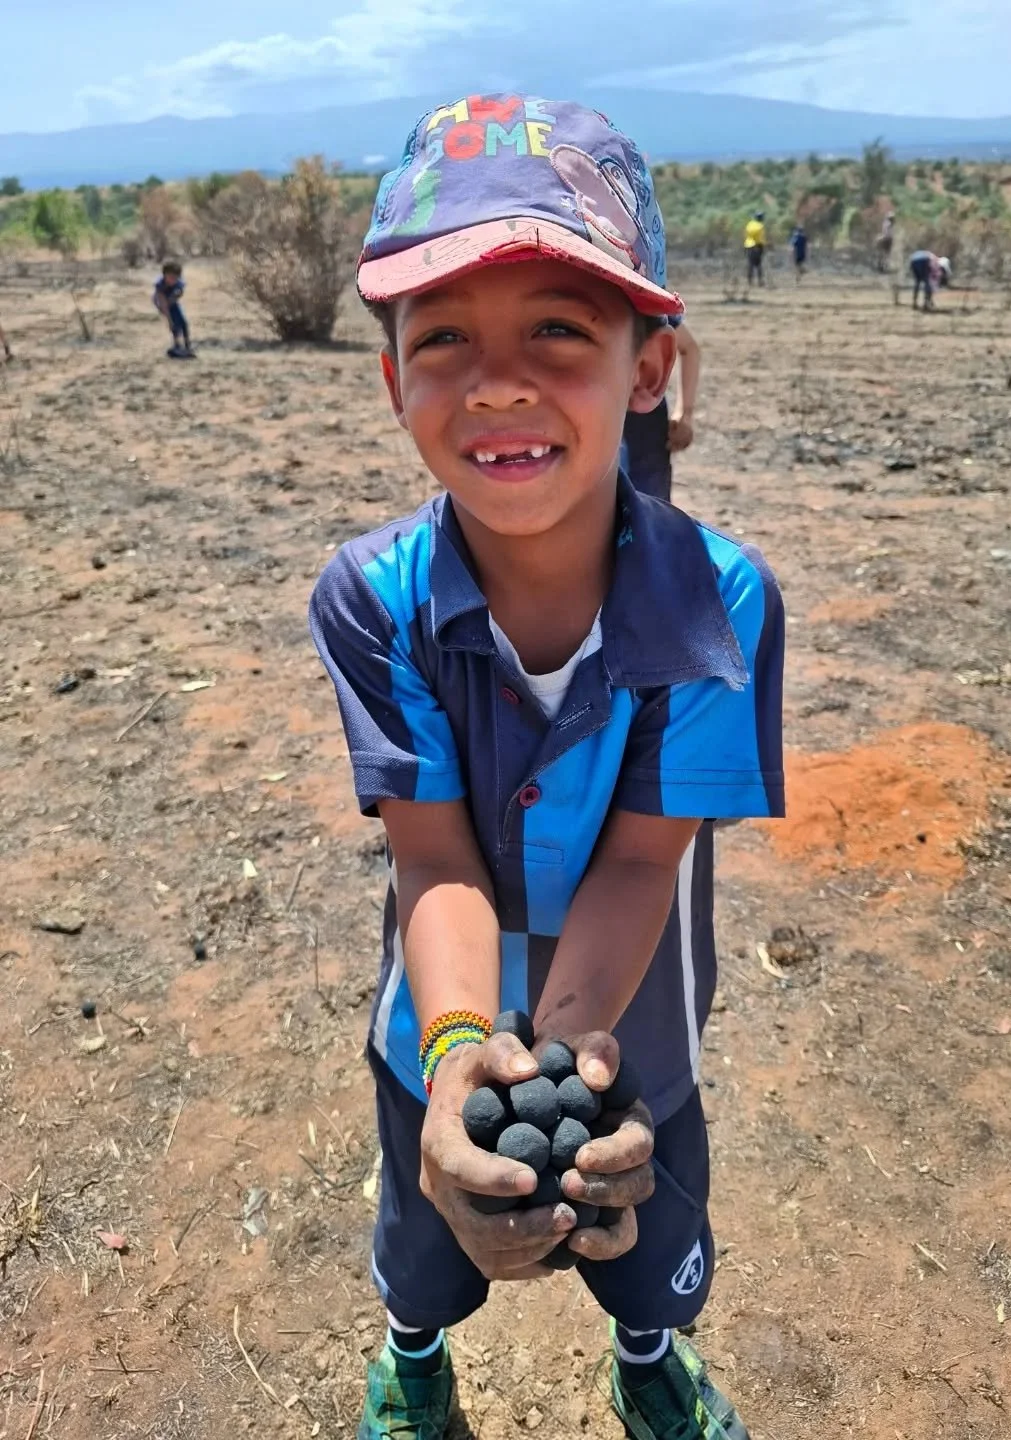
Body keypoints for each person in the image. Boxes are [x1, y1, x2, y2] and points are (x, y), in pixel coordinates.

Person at [309, 93, 784, 1440]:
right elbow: (435, 849)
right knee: (429, 1232)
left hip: (633, 1017)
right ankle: (413, 1359)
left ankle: (649, 1361)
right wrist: (464, 1056)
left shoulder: (720, 603)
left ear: (648, 366)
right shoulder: (373, 598)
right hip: (439, 1017)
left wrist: (573, 1052)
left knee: (637, 1223)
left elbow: (644, 853)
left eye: (559, 330)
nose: (498, 381)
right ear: (393, 376)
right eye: (444, 336)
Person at [620, 320, 700, 500]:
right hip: (599, 416)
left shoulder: (647, 295)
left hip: (642, 425)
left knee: (649, 510)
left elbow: (689, 347)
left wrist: (685, 413)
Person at [153, 260, 194, 357]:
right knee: (174, 324)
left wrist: (175, 296)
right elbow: (163, 304)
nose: (173, 280)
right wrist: (169, 320)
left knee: (183, 323)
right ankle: (177, 345)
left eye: (175, 278)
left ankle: (187, 345)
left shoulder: (179, 284)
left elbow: (180, 293)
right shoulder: (160, 286)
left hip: (172, 301)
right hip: (161, 303)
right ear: (164, 275)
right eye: (170, 277)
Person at [744, 211, 766, 287]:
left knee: (750, 264)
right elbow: (760, 238)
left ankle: (750, 281)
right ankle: (760, 281)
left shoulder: (749, 224)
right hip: (757, 246)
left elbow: (746, 234)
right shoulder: (760, 226)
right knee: (758, 264)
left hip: (748, 245)